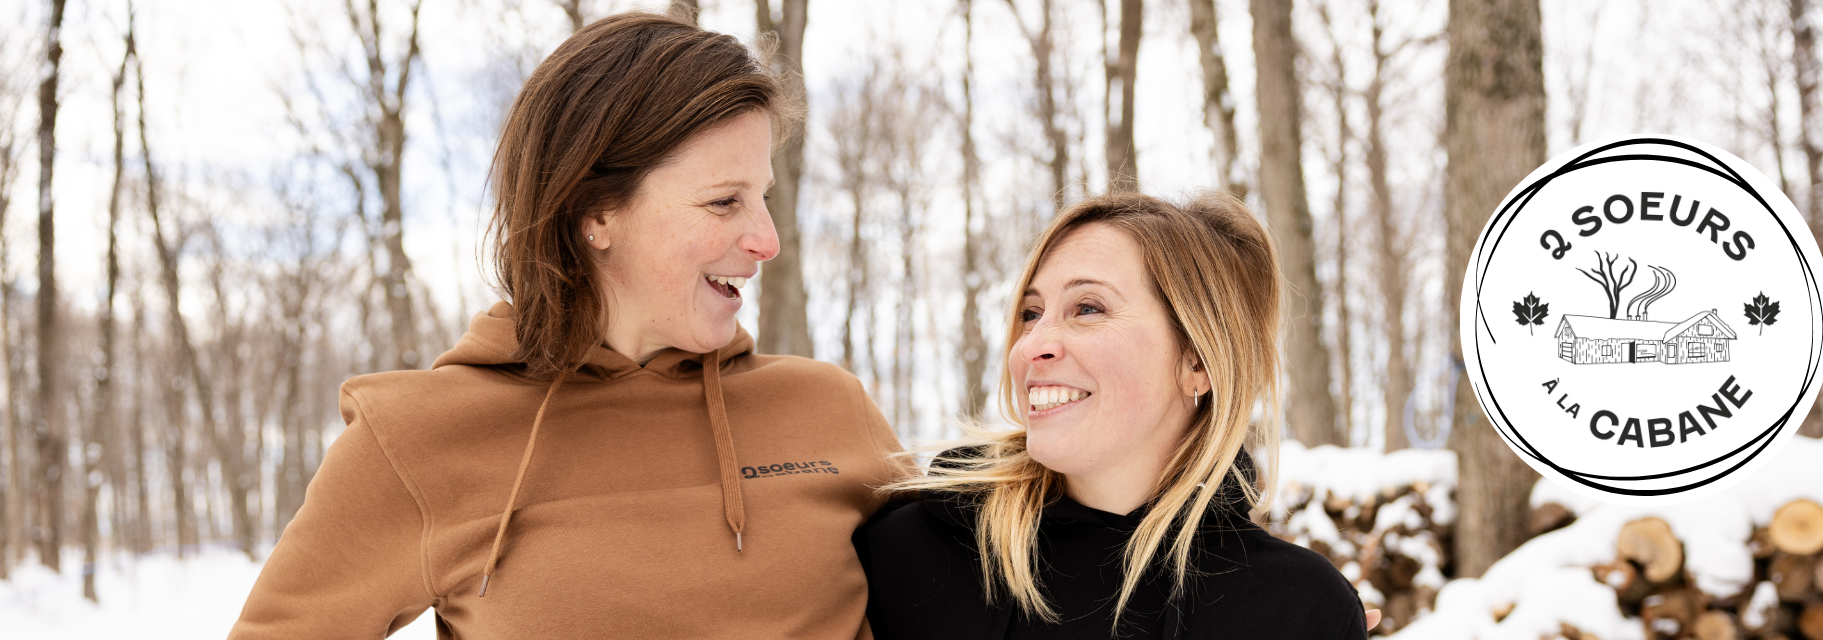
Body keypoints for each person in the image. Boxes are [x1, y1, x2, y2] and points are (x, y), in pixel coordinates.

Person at [230, 13, 905, 638]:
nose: (766, 239)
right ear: (595, 212)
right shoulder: (414, 440)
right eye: (724, 201)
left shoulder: (829, 410)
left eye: (764, 199)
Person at [858, 192, 1376, 639]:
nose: (1031, 346)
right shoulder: (907, 559)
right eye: (1031, 314)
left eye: (1088, 308)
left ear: (1199, 361)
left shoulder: (1296, 608)